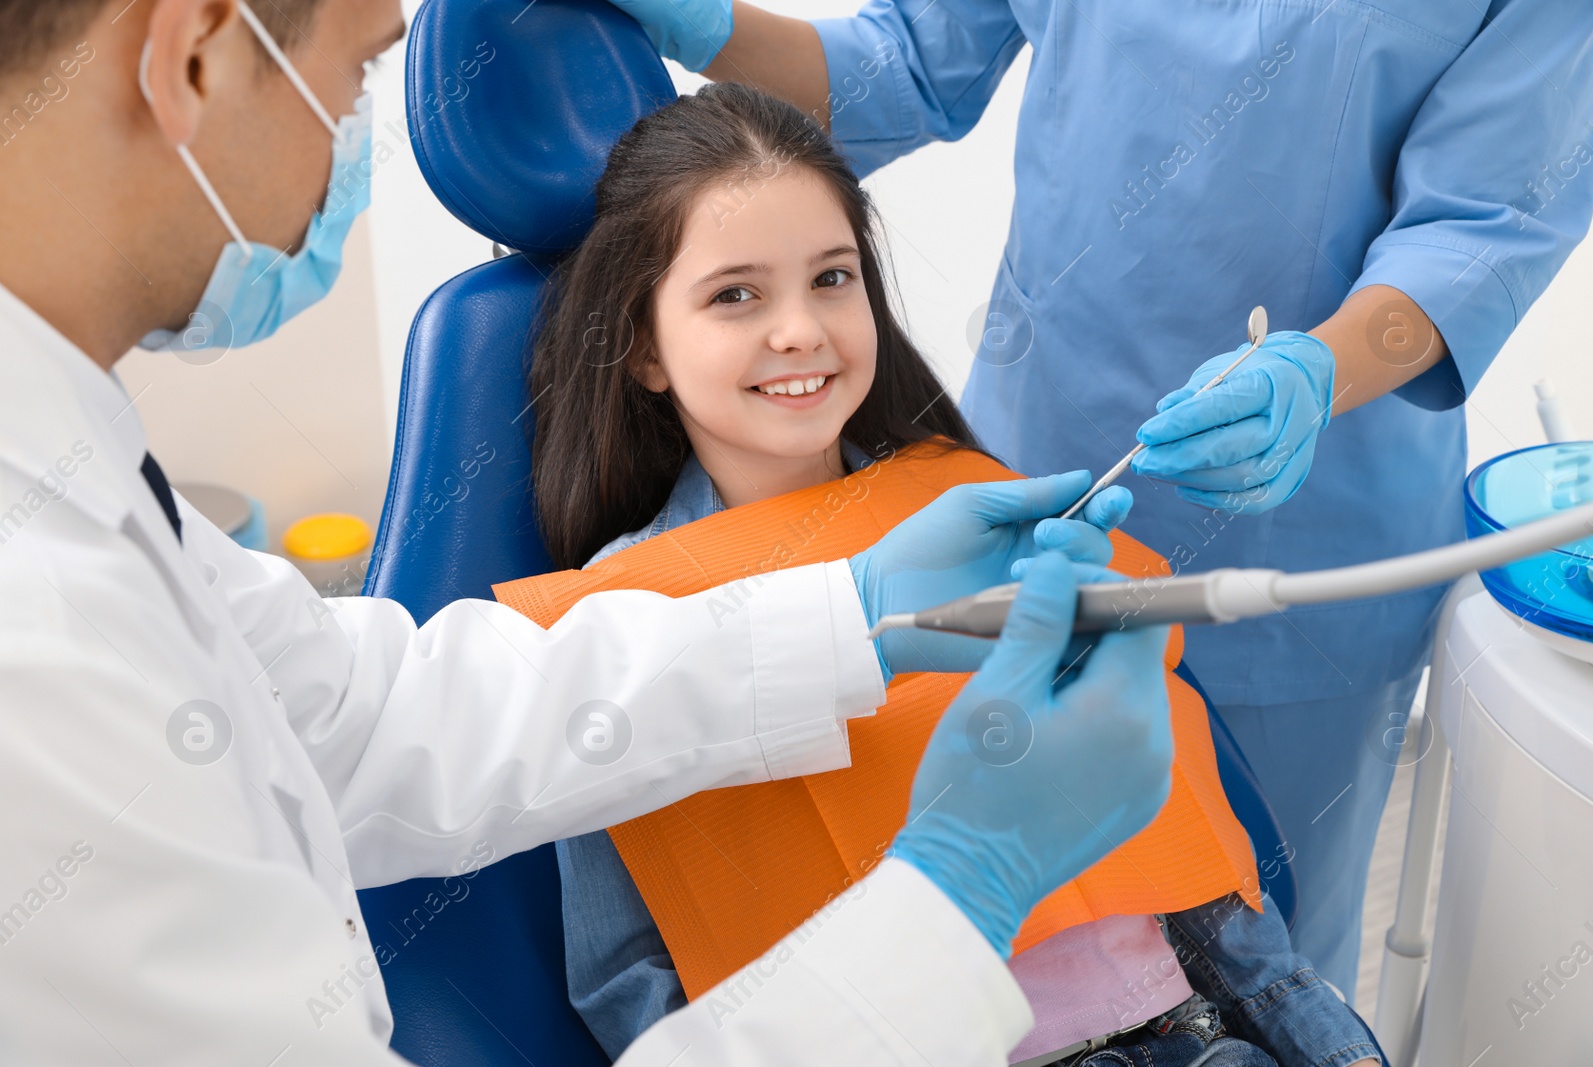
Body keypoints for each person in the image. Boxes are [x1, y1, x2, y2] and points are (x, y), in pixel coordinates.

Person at [0, 1, 1172, 1063]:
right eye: (355, 85)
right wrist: (960, 893)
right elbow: (631, 978)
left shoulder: (72, 471)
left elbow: (367, 712)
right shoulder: (42, 645)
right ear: (193, 56)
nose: (345, 153)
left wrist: (854, 608)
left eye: (831, 278)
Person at [602, 0, 1593, 994]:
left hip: (1308, 539)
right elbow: (902, 63)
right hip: (1031, 499)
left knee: (1261, 956)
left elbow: (1483, 224)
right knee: (1022, 959)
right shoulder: (650, 595)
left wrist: (1316, 375)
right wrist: (699, 21)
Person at [530, 81, 1381, 1067]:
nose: (800, 328)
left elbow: (1184, 847)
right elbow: (630, 975)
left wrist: (1321, 1038)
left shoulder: (973, 505)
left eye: (833, 277)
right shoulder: (616, 621)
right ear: (641, 344)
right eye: (735, 294)